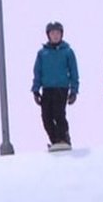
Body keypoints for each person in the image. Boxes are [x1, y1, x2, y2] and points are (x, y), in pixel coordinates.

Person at [32, 21, 79, 150]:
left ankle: (64, 138)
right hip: (47, 89)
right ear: (48, 35)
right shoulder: (42, 53)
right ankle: (55, 140)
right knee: (46, 116)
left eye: (58, 33)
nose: (55, 36)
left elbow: (74, 72)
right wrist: (36, 90)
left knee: (58, 113)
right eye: (52, 33)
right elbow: (37, 72)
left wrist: (74, 91)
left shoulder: (67, 52)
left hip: (61, 88)